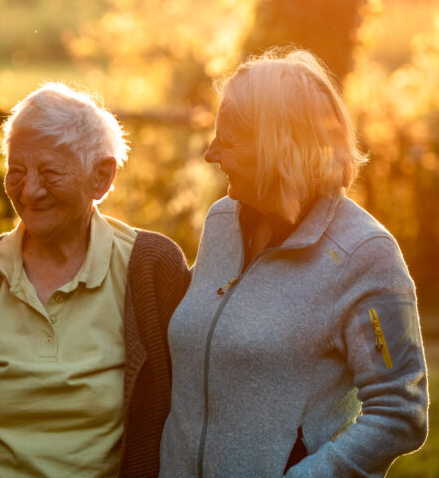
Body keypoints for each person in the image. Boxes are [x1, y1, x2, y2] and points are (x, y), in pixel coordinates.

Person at [159, 49, 429, 477]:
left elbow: (401, 411)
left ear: (276, 148)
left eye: (227, 141)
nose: (211, 154)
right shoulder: (221, 221)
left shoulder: (367, 255)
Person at [0, 82, 191, 477]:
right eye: (16, 172)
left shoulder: (152, 269)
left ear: (102, 177)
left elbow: (185, 413)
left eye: (49, 172)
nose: (29, 191)